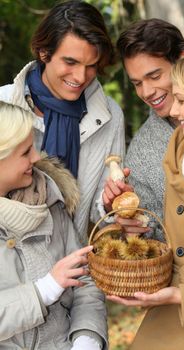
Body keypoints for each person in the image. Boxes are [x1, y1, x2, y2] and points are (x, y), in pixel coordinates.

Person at [108, 45, 184, 350]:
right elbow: (171, 242)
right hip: (173, 318)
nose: (173, 113)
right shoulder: (179, 153)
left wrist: (182, 297)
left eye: (181, 100)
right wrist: (132, 224)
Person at [0, 0, 125, 244]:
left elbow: (101, 212)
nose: (80, 77)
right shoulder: (4, 104)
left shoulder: (110, 115)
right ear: (44, 52)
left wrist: (110, 203)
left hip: (73, 263)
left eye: (91, 66)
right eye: (70, 62)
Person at [0, 102, 108, 349]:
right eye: (25, 152)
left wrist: (86, 338)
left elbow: (85, 282)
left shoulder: (48, 198)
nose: (37, 157)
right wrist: (43, 291)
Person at [102, 19, 184, 238]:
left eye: (154, 76)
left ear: (182, 60)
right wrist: (136, 225)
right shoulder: (142, 151)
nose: (147, 92)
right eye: (137, 83)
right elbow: (154, 235)